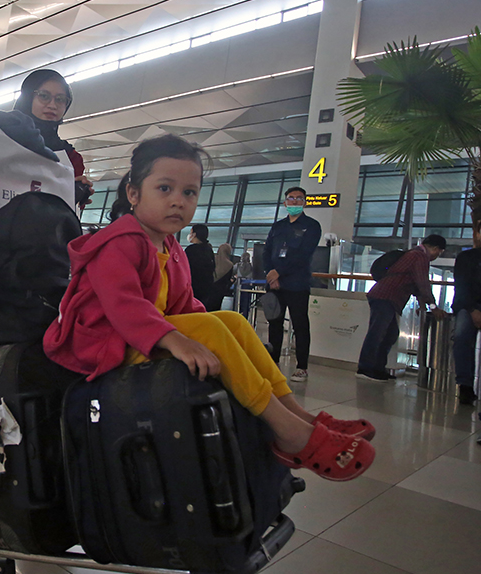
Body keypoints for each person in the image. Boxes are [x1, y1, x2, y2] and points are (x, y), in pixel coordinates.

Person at [44, 134, 375, 482]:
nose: (178, 202)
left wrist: (214, 336)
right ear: (133, 193)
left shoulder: (170, 247)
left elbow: (186, 306)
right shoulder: (118, 244)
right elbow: (124, 307)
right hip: (102, 344)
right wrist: (177, 340)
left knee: (229, 320)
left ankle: (297, 414)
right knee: (215, 328)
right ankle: (287, 431)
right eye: (164, 189)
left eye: (189, 192)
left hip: (140, 338)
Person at [357, 235, 448, 382]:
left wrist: (422, 304)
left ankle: (378, 368)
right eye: (440, 252)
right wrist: (433, 306)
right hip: (385, 297)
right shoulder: (419, 256)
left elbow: (415, 284)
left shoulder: (413, 254)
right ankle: (365, 368)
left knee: (390, 333)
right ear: (436, 248)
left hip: (386, 297)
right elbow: (422, 283)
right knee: (378, 332)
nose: (438, 255)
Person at [263, 187, 321, 382]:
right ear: (285, 202)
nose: (295, 202)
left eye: (299, 199)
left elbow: (303, 255)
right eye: (291, 198)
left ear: (304, 202)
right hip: (275, 284)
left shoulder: (312, 226)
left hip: (297, 284)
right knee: (274, 324)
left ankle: (302, 367)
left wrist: (279, 272)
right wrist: (271, 274)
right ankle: (273, 361)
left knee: (300, 324)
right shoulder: (278, 227)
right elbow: (267, 252)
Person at [11, 69, 94, 206]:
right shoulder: (1, 136)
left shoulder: (71, 157)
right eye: (44, 96)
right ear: (28, 98)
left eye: (60, 100)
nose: (52, 105)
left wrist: (75, 194)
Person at [452, 230, 481, 404]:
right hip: (467, 305)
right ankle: (465, 385)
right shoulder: (466, 257)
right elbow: (461, 286)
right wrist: (472, 309)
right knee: (461, 337)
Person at [185, 223, 216, 309]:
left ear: (194, 234)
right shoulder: (208, 249)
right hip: (206, 287)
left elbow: (185, 268)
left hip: (193, 286)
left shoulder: (191, 250)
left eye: (191, 232)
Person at [208, 243, 236, 312]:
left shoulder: (212, 260)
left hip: (209, 289)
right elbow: (227, 281)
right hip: (220, 290)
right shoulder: (229, 265)